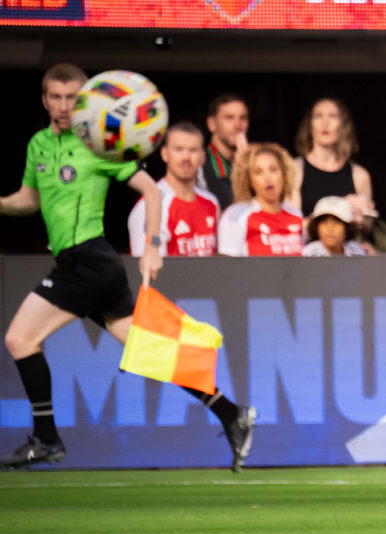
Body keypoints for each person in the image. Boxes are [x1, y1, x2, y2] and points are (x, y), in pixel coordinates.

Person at [0, 64, 255, 472]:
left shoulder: (98, 144)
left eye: (72, 98)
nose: (64, 106)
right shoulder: (38, 145)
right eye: (56, 97)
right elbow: (28, 200)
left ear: (86, 101)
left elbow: (152, 191)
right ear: (45, 99)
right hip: (84, 266)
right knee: (153, 352)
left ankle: (46, 439)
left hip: (89, 261)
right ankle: (231, 414)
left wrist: (154, 244)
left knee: (19, 339)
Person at [128, 121, 219, 257]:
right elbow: (145, 269)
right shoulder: (148, 206)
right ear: (165, 154)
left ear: (202, 156)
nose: (186, 157)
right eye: (178, 149)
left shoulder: (211, 202)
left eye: (193, 150)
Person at [291, 97, 375, 222]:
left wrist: (362, 218)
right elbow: (292, 228)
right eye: (318, 116)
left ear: (343, 125)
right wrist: (340, 207)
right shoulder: (295, 170)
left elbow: (366, 227)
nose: (325, 123)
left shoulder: (360, 175)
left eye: (333, 116)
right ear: (310, 124)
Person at [218, 142, 304, 257]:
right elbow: (226, 269)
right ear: (249, 179)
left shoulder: (296, 215)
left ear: (284, 174)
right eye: (258, 172)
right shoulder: (235, 216)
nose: (267, 178)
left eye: (273, 170)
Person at [198, 92, 249, 211]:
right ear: (212, 124)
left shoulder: (257, 162)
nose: (237, 125)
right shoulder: (202, 163)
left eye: (243, 118)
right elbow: (231, 212)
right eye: (229, 118)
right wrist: (243, 169)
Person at [301, 196, 368, 257]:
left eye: (336, 222)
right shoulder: (309, 255)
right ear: (316, 227)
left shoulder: (356, 251)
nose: (330, 228)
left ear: (347, 228)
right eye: (324, 222)